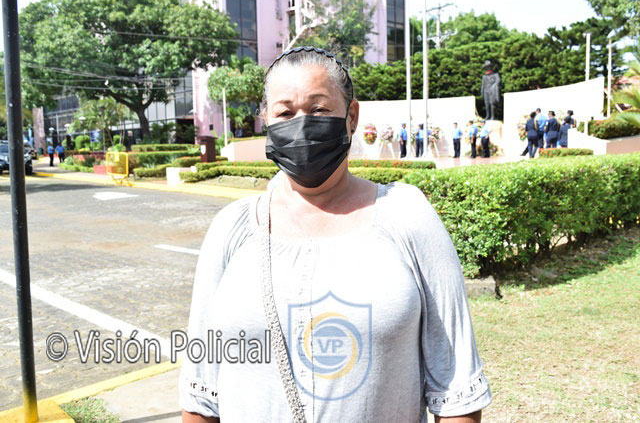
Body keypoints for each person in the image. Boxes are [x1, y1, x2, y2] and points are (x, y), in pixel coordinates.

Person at [179, 46, 491, 423]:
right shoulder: (232, 228)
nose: (302, 125)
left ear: (351, 116)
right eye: (285, 113)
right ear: (266, 121)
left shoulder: (407, 216)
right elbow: (201, 393)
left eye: (319, 109)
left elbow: (456, 393)